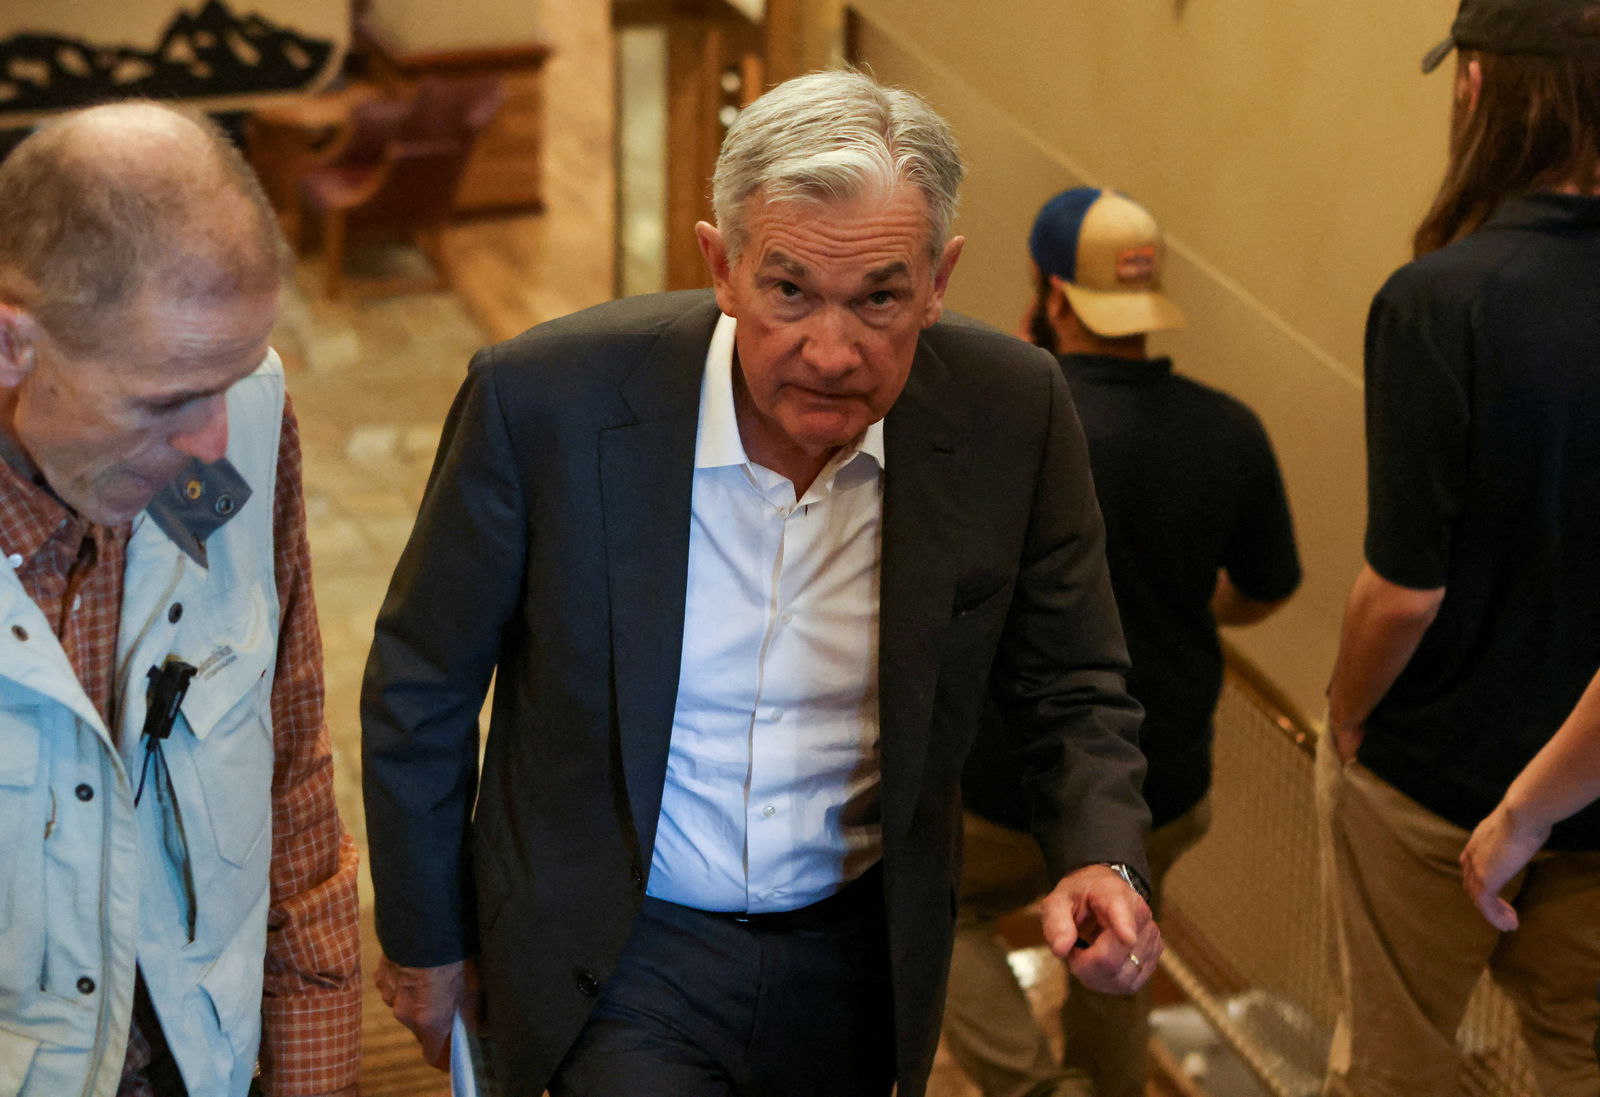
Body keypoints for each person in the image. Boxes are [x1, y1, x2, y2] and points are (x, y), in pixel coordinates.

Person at [362, 69, 1160, 1097]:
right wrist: (424, 937)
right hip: (619, 948)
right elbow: (423, 681)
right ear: (722, 266)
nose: (832, 351)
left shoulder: (1014, 410)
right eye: (790, 291)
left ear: (939, 279)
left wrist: (1102, 854)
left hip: (857, 959)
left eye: (879, 298)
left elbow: (1074, 682)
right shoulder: (543, 401)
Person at [0, 103, 362, 1097]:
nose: (213, 443)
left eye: (232, 377)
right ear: (11, 344)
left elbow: (291, 755)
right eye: (163, 402)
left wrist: (317, 1068)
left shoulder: (239, 420)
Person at [942, 188, 1301, 1097]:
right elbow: (1265, 587)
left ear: (1054, 296)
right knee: (1119, 935)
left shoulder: (1011, 420)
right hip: (1160, 779)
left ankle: (1034, 1089)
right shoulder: (1229, 430)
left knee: (929, 901)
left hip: (1005, 781)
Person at [1321, 2, 1600, 1093]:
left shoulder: (1439, 300)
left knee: (1394, 1064)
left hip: (1433, 784)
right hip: (1590, 792)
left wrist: (1345, 712)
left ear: (1477, 88)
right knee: (1579, 1057)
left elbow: (1403, 593)